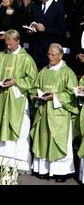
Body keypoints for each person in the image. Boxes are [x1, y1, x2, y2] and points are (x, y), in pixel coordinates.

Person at [0, 29, 38, 173]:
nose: (8, 47)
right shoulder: (0, 56)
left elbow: (32, 80)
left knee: (19, 130)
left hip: (17, 100)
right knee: (0, 125)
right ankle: (0, 160)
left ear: (18, 41)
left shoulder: (26, 59)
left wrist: (15, 82)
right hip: (1, 98)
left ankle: (18, 163)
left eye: (11, 44)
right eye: (6, 44)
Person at [31, 43, 79, 182]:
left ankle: (61, 172)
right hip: (44, 112)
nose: (50, 58)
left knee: (57, 141)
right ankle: (44, 169)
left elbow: (71, 94)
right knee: (43, 139)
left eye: (53, 55)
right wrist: (36, 95)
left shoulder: (67, 73)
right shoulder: (44, 71)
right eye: (49, 54)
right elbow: (35, 87)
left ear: (61, 55)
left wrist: (55, 97)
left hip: (59, 115)